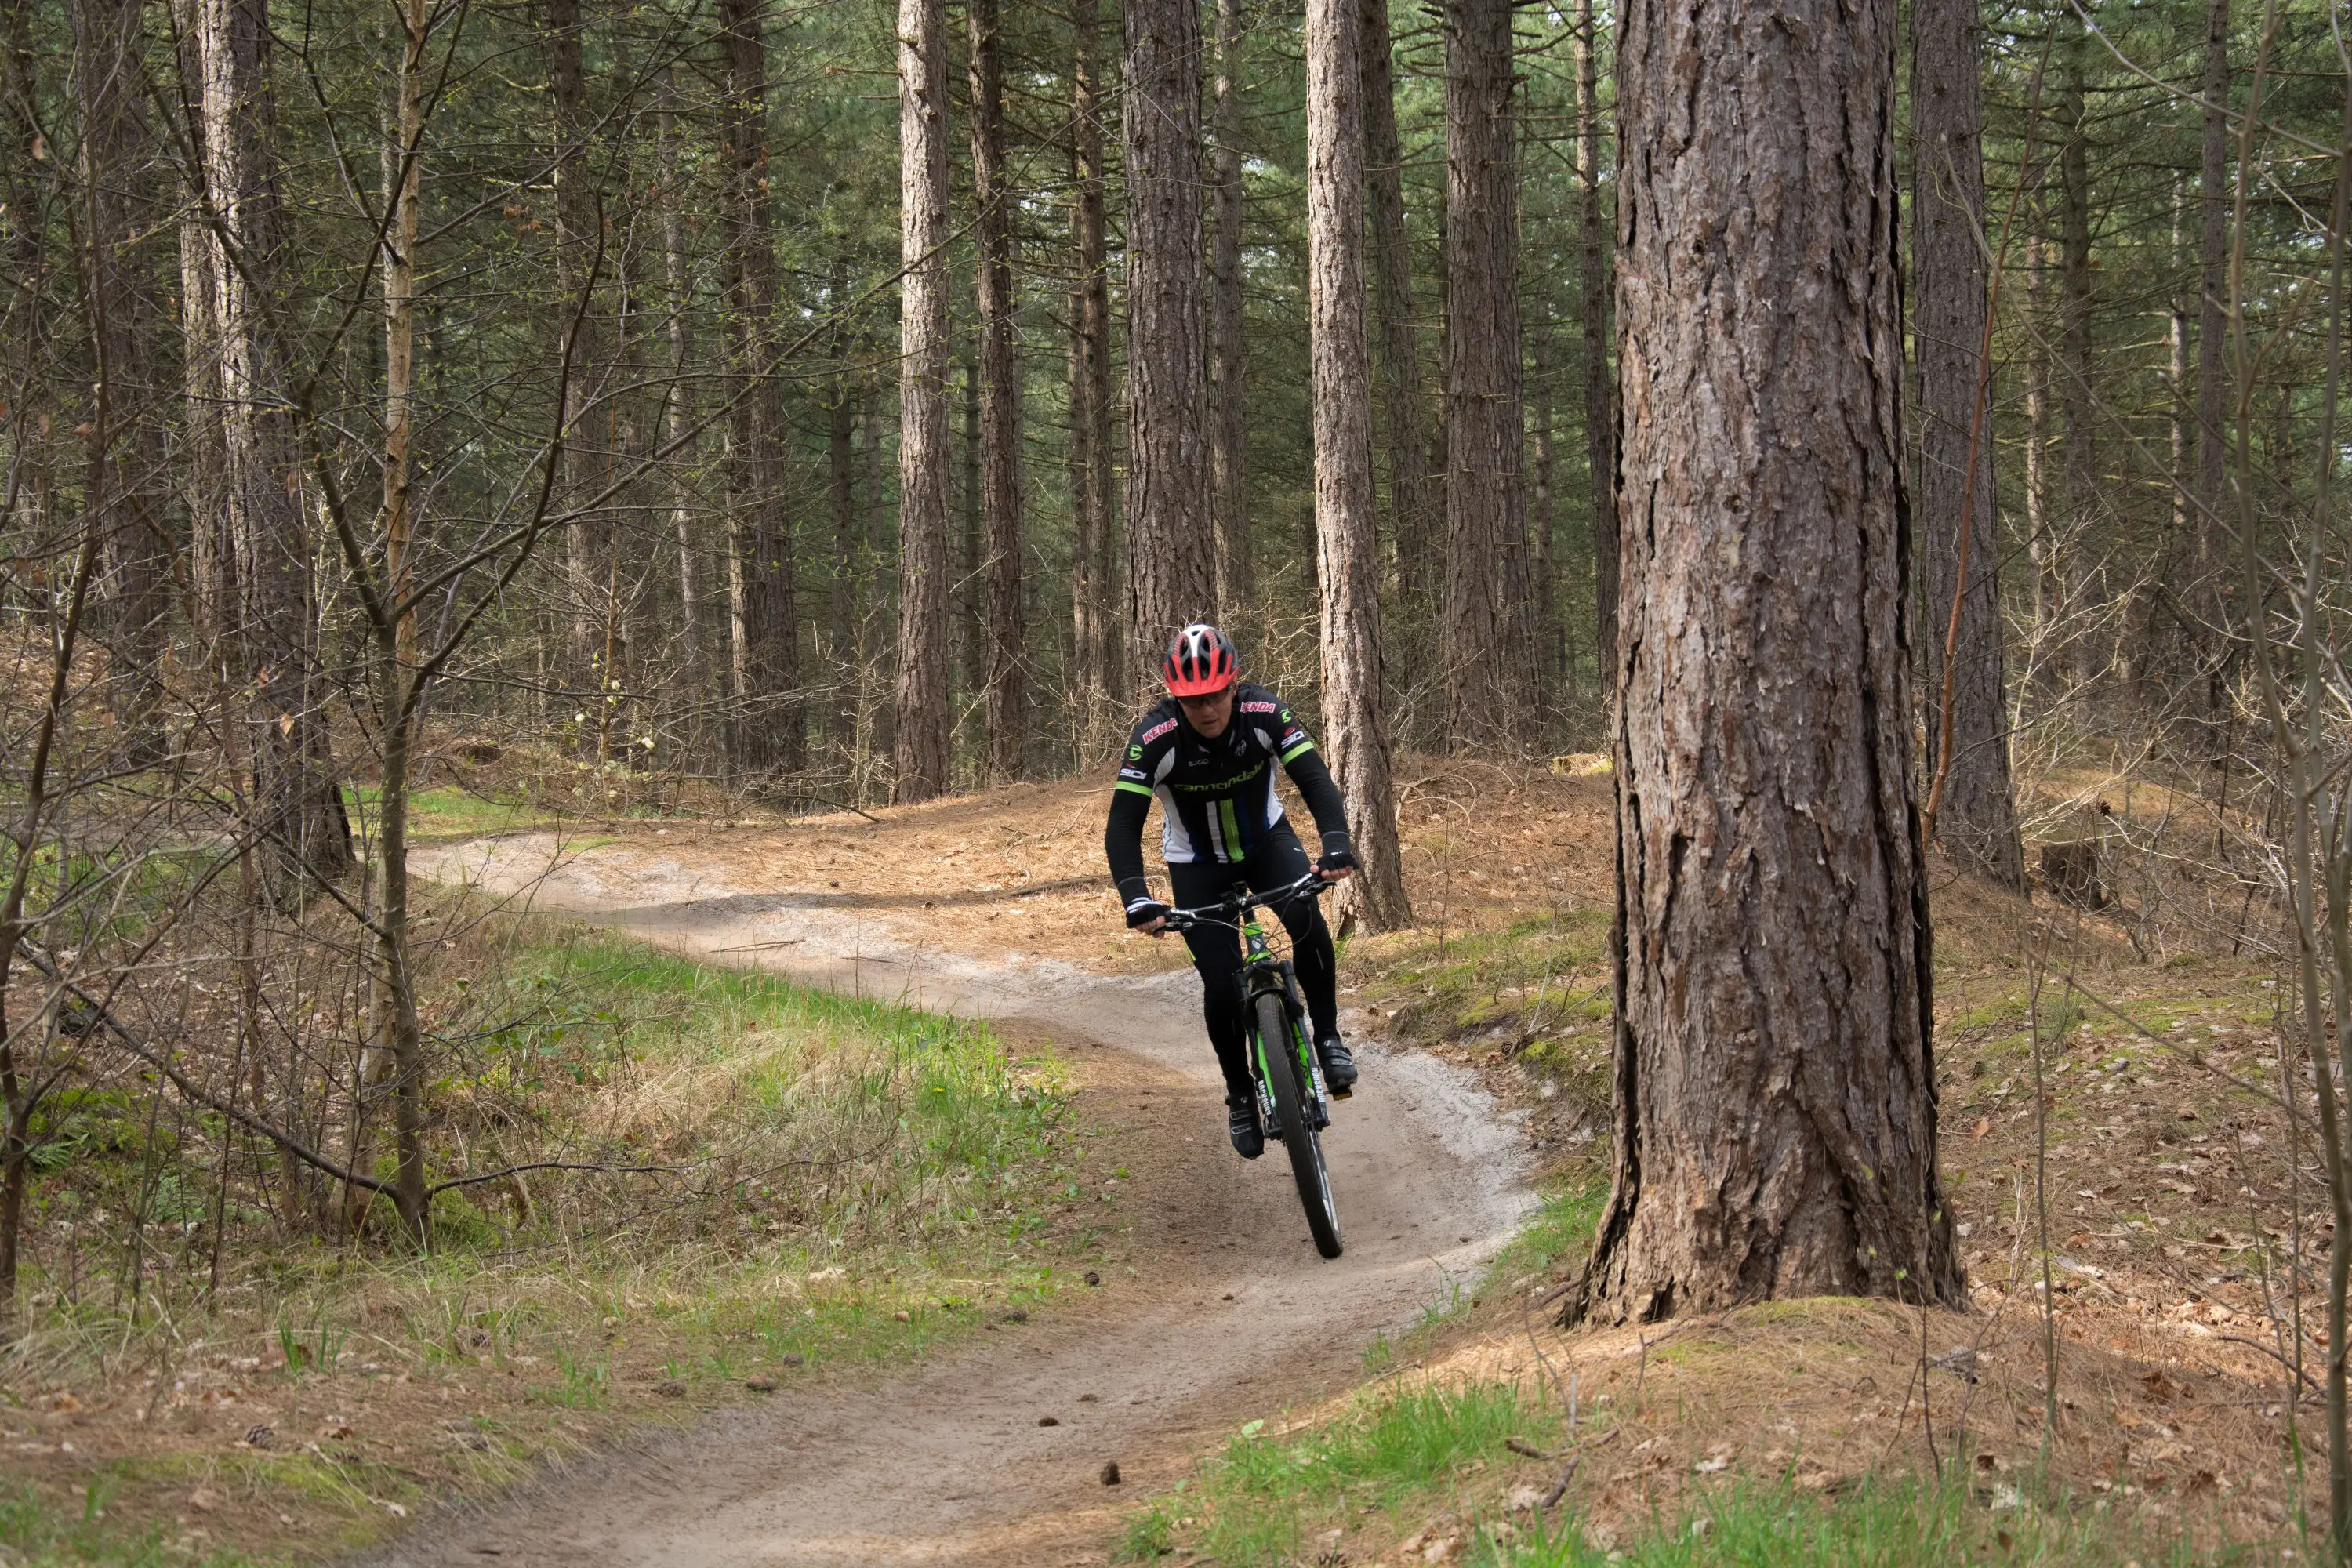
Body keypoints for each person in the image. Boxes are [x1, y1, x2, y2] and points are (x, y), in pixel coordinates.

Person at [1104, 623, 1359, 1160]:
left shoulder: (1265, 714)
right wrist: (1136, 898)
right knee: (1221, 985)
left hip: (1267, 844)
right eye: (1192, 699)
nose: (1206, 709)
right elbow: (1123, 826)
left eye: (1216, 694)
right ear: (1176, 696)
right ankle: (1241, 1094)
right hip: (1196, 865)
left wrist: (1335, 843)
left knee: (1305, 917)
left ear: (1234, 684)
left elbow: (1314, 780)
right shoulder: (1155, 738)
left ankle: (1329, 1037)